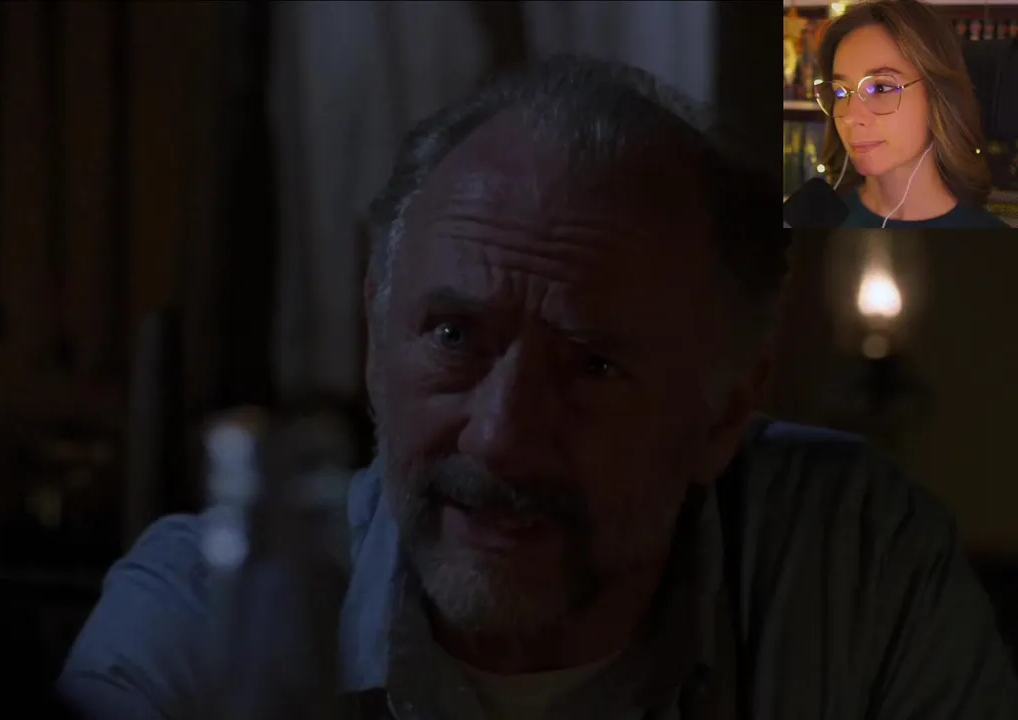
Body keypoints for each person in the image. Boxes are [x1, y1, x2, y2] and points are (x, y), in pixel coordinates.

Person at [58, 55, 1018, 719]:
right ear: (374, 338)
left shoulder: (854, 574)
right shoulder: (205, 614)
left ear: (723, 410)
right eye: (452, 337)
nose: (500, 436)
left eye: (593, 365)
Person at [815, 0, 1011, 228]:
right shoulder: (813, 221)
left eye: (881, 88)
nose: (850, 117)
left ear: (937, 94)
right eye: (840, 92)